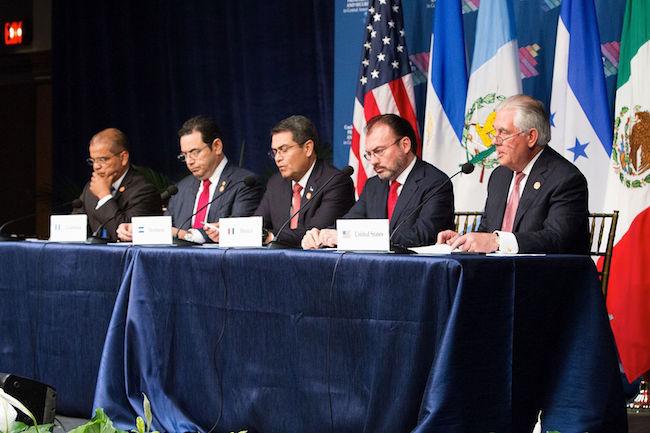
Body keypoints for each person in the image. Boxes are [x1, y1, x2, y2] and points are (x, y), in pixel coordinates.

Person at [436, 94, 590, 254]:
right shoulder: (499, 176)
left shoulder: (565, 179)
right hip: (499, 273)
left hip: (545, 275)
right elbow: (488, 231)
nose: (495, 141)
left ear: (531, 137)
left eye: (503, 132)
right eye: (495, 132)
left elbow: (557, 239)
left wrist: (497, 241)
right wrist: (464, 241)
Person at [302, 114, 454, 249]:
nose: (373, 161)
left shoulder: (435, 183)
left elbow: (423, 235)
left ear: (405, 145)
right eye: (369, 154)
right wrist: (322, 233)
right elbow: (350, 222)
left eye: (379, 151)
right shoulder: (373, 185)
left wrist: (352, 237)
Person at [117, 116, 263, 243]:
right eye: (185, 155)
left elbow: (238, 231)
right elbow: (166, 229)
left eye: (195, 152)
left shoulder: (244, 183)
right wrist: (136, 230)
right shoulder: (181, 188)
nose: (189, 161)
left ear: (217, 146)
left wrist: (185, 235)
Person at [238, 115, 354, 247]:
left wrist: (271, 236)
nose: (277, 158)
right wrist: (231, 231)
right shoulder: (276, 183)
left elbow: (313, 233)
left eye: (284, 150)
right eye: (275, 152)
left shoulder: (335, 182)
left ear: (308, 148)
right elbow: (258, 223)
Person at [75, 128, 162, 242]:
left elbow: (125, 235)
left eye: (102, 159)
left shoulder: (143, 190)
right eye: (93, 160)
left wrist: (104, 196)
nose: (96, 166)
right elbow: (74, 228)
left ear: (123, 157)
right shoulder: (91, 188)